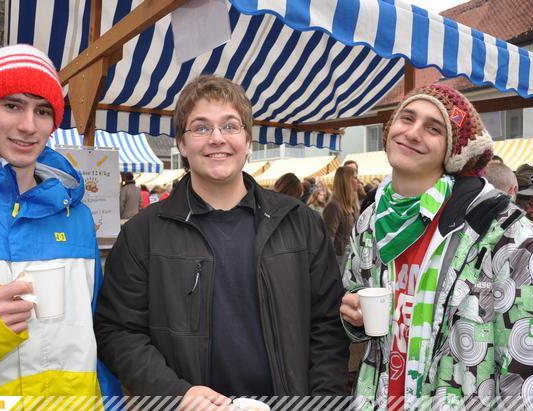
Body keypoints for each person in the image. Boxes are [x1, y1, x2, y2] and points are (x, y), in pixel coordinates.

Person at [94, 75, 348, 405]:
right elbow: (118, 331)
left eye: (230, 126)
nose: (217, 138)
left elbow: (328, 327)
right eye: (201, 127)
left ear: (247, 140)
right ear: (182, 144)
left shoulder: (300, 223)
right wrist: (177, 395)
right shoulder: (142, 234)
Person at [0, 44, 120, 397]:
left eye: (43, 110)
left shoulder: (77, 216)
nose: (28, 126)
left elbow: (96, 333)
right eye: (12, 105)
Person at [339, 84, 533, 409]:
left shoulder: (508, 235)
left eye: (433, 128)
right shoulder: (371, 221)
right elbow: (354, 288)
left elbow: (530, 372)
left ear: (453, 150)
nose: (413, 133)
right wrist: (354, 316)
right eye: (407, 118)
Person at [323, 166, 360, 271]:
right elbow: (328, 238)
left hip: (351, 258)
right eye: (355, 178)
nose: (358, 181)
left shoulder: (352, 204)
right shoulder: (334, 205)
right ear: (346, 181)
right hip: (339, 261)